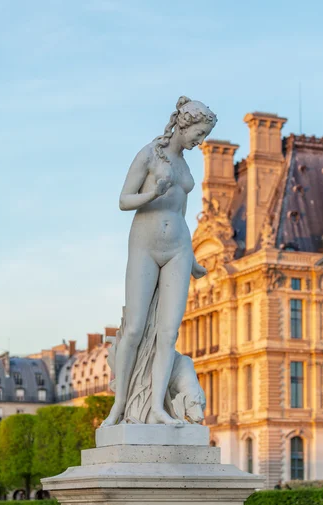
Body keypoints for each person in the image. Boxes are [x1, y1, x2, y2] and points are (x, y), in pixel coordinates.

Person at [102, 96, 217, 427]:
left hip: (179, 247)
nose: (200, 140)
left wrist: (193, 254)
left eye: (204, 135)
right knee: (135, 328)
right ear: (184, 124)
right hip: (145, 244)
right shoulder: (150, 154)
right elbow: (124, 200)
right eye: (199, 133)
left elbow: (180, 212)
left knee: (168, 333)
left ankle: (156, 407)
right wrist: (153, 193)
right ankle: (120, 406)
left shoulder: (185, 165)